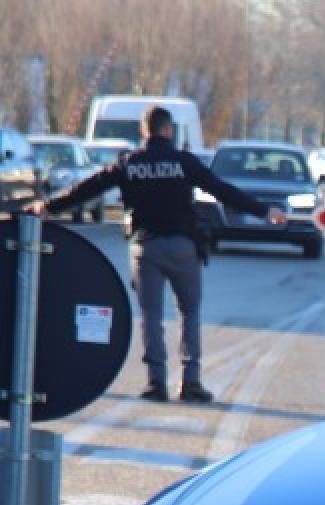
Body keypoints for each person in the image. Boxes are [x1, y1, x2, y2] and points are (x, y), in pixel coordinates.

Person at [23, 106, 286, 403]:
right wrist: (265, 210)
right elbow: (222, 190)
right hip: (183, 247)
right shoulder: (184, 162)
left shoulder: (128, 164)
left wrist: (47, 207)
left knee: (151, 315)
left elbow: (85, 189)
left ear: (144, 131)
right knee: (189, 312)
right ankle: (191, 382)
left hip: (145, 247)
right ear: (168, 130)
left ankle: (155, 383)